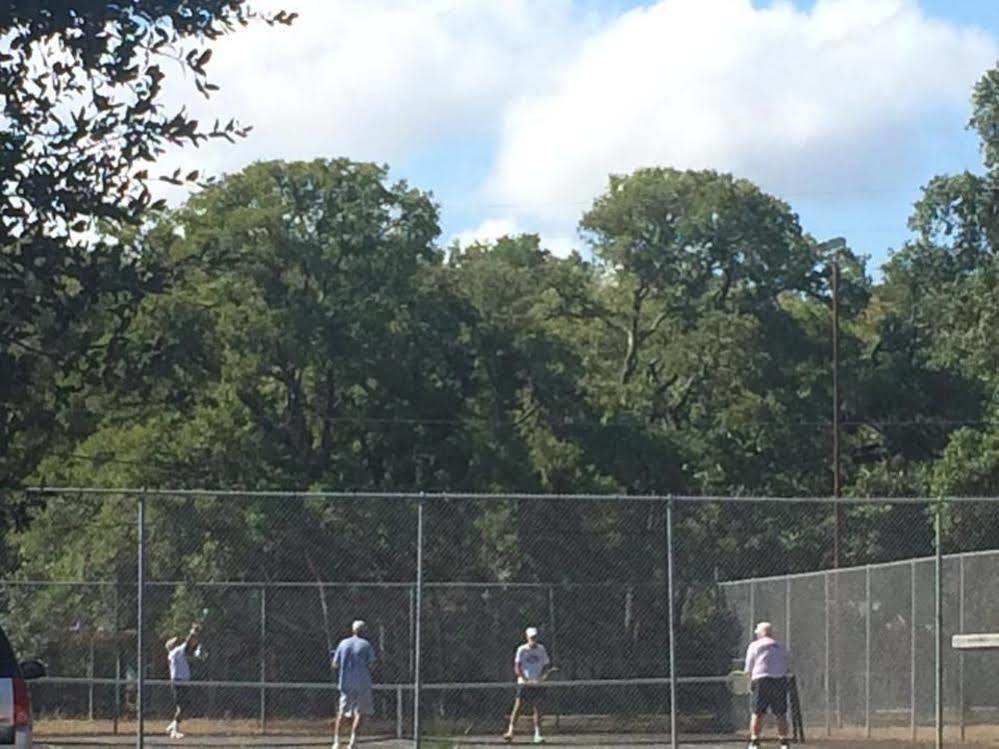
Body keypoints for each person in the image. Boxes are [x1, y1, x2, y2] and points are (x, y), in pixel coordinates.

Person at [744, 621, 792, 749]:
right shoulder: (781, 646)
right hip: (779, 680)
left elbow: (749, 667)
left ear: (760, 633)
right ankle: (784, 742)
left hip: (761, 680)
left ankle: (754, 741)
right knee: (780, 713)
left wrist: (750, 681)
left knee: (757, 712)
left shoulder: (754, 646)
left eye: (757, 633)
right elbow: (787, 664)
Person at [330, 619, 376, 749]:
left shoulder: (343, 643)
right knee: (360, 713)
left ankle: (337, 742)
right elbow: (372, 664)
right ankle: (353, 742)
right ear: (363, 630)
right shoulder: (366, 645)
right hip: (362, 683)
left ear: (352, 630)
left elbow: (335, 664)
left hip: (345, 683)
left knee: (342, 712)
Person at [503, 626, 551, 744]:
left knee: (538, 708)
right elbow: (517, 667)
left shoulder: (541, 649)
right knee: (518, 706)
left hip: (538, 684)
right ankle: (510, 731)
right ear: (527, 637)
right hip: (524, 683)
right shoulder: (521, 649)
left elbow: (546, 666)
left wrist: (542, 678)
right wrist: (525, 679)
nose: (533, 640)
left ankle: (537, 734)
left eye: (535, 637)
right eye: (531, 638)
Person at [165, 623, 205, 740]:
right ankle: (174, 731)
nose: (175, 641)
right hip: (179, 681)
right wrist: (193, 631)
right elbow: (189, 641)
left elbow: (188, 657)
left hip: (181, 681)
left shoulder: (174, 654)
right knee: (182, 707)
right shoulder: (176, 651)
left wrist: (197, 657)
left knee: (183, 706)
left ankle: (173, 725)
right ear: (170, 646)